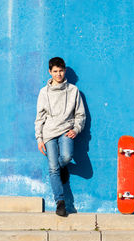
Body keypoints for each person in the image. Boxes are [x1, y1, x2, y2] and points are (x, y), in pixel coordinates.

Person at [34, 57, 86, 216]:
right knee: (52, 168)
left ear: (64, 71)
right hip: (49, 133)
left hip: (65, 130)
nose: (58, 74)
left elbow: (80, 114)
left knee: (67, 157)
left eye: (61, 71)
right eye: (55, 71)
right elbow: (40, 117)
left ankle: (62, 167)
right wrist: (39, 138)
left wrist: (76, 129)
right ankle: (60, 203)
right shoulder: (44, 92)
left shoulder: (73, 91)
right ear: (50, 72)